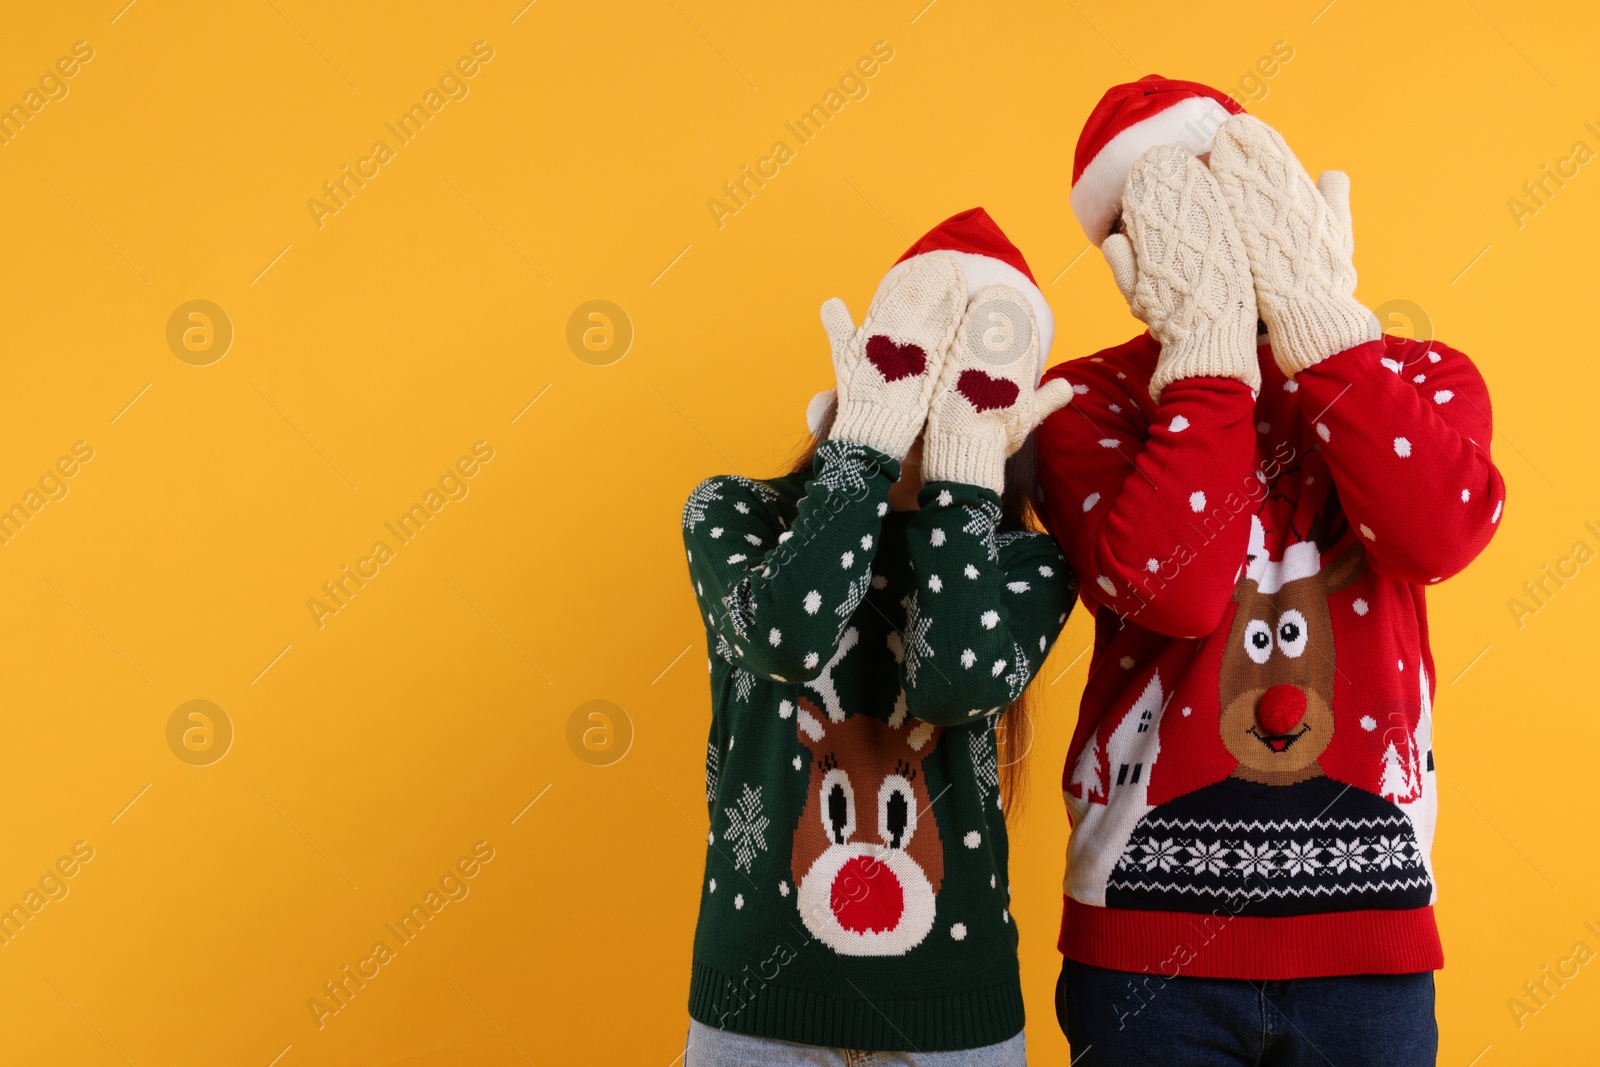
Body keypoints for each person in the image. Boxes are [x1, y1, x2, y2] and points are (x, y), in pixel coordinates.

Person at [1035, 77, 1506, 1065]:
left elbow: (1440, 535)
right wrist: (1206, 355)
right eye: (1181, 211)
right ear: (1134, 246)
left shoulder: (1415, 376)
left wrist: (1317, 320)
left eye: (1243, 196)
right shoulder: (1081, 400)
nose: (1224, 232)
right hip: (1144, 941)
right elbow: (1175, 587)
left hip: (1368, 935)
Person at [680, 209, 1078, 1064]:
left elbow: (951, 685)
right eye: (921, 356)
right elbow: (789, 636)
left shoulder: (1027, 564)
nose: (938, 389)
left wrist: (964, 470)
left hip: (952, 1018)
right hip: (755, 1004)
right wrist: (864, 444)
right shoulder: (736, 514)